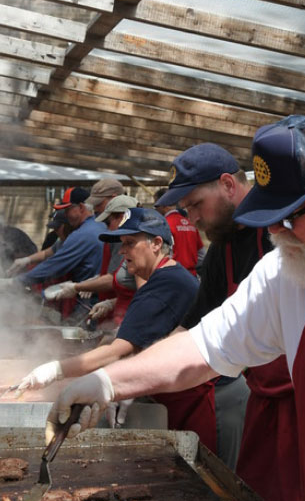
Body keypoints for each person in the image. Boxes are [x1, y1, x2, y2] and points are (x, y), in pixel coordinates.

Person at [44, 114, 305, 501]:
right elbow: (201, 349)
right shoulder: (287, 272)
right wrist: (106, 382)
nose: (277, 237)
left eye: (287, 220)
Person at [155, 144, 301, 501]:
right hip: (263, 396)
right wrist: (140, 374)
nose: (192, 218)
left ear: (227, 185)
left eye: (194, 204)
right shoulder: (222, 250)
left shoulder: (281, 234)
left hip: (303, 402)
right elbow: (194, 328)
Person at [19, 208, 217, 447]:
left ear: (156, 243)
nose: (122, 251)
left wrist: (54, 370)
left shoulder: (165, 285)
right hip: (176, 394)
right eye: (122, 243)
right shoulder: (167, 277)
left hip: (185, 404)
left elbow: (116, 351)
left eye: (130, 243)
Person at [13, 187, 107, 322]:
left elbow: (53, 265)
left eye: (68, 210)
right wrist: (26, 260)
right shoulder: (95, 227)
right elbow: (51, 251)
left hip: (89, 301)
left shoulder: (83, 234)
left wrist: (17, 281)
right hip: (94, 297)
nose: (66, 215)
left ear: (81, 207)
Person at [52, 195, 140, 328]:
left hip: (128, 320)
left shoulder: (137, 246)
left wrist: (77, 287)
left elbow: (116, 281)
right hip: (115, 316)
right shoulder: (118, 240)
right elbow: (121, 278)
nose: (108, 228)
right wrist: (94, 284)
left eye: (109, 222)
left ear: (122, 217)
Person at [154, 188, 206, 276]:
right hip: (191, 277)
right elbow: (202, 255)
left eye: (156, 205)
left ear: (163, 205)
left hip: (172, 276)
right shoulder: (191, 224)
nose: (155, 209)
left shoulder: (163, 225)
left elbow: (161, 256)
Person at [6, 210, 72, 277]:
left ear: (68, 226)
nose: (55, 231)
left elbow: (54, 265)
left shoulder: (74, 242)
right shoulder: (60, 241)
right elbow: (45, 253)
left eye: (57, 228)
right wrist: (25, 260)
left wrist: (22, 279)